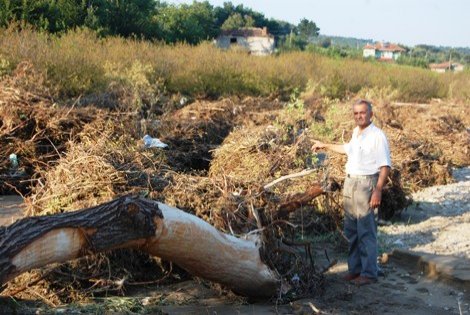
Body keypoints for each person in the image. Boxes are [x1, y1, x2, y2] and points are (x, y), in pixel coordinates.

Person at [312, 99, 391, 286]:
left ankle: (369, 273)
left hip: (366, 184)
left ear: (371, 114)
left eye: (362, 113)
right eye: (356, 113)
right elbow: (347, 149)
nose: (359, 116)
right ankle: (355, 270)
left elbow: (385, 166)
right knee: (352, 230)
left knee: (366, 230)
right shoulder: (356, 133)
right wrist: (325, 145)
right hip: (350, 183)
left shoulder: (377, 136)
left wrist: (377, 190)